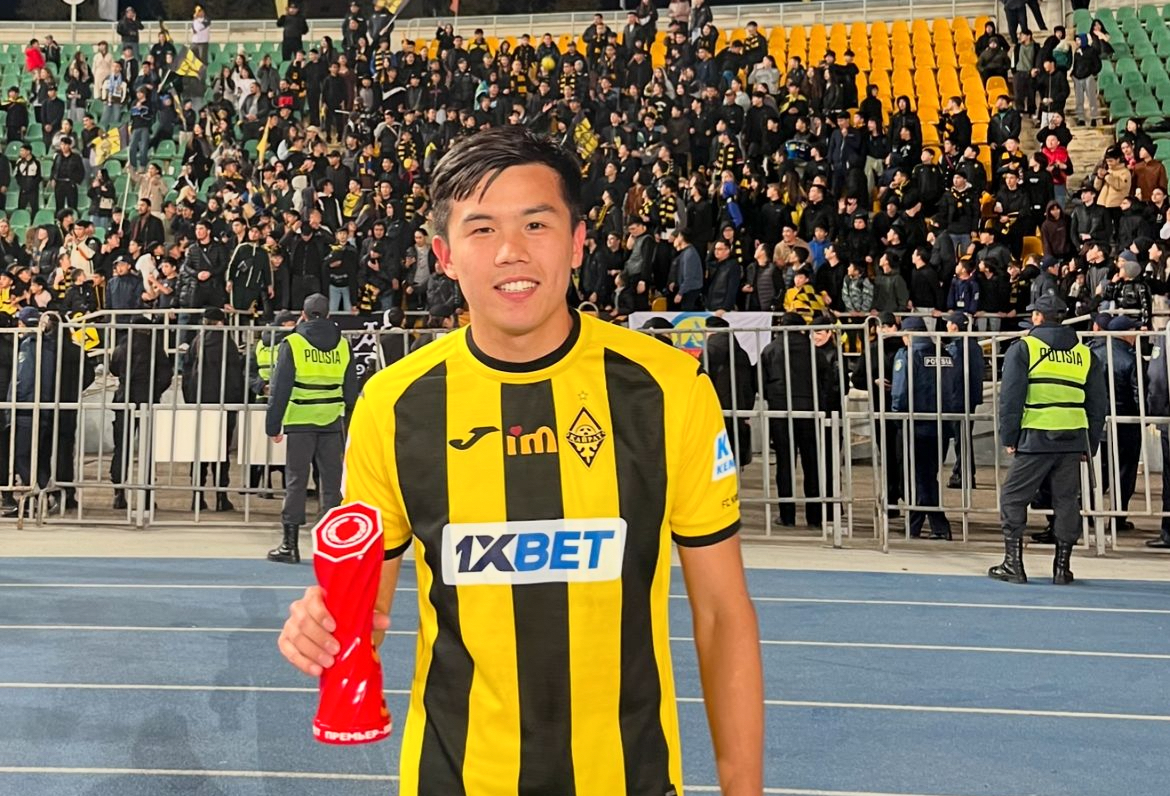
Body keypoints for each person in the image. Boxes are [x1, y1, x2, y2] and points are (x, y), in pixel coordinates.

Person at [276, 126, 763, 793]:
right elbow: (366, 615)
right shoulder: (394, 405)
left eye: (536, 224)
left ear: (578, 241)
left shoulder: (668, 390)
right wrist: (323, 626)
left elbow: (722, 614)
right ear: (445, 256)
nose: (511, 251)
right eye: (481, 229)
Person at [991, 294, 1107, 585]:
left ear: (1038, 317)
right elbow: (1097, 405)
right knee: (1067, 501)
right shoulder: (1085, 354)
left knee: (1013, 497)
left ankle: (1013, 565)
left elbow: (1011, 397)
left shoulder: (1025, 348)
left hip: (1036, 436)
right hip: (1073, 438)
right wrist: (1090, 444)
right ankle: (1062, 568)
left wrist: (1009, 436)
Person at [264, 293, 356, 564]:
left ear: (303, 315)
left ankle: (290, 546)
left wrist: (273, 425)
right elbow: (351, 392)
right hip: (332, 422)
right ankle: (333, 549)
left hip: (300, 422)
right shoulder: (343, 345)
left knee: (296, 482)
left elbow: (280, 388)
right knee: (332, 485)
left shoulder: (293, 343)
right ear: (328, 315)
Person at [891, 315, 955, 540]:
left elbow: (900, 393)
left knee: (919, 478)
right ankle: (916, 525)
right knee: (927, 475)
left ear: (907, 335)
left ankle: (939, 525)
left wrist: (897, 418)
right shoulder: (944, 354)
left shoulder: (907, 355)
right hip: (941, 425)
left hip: (915, 425)